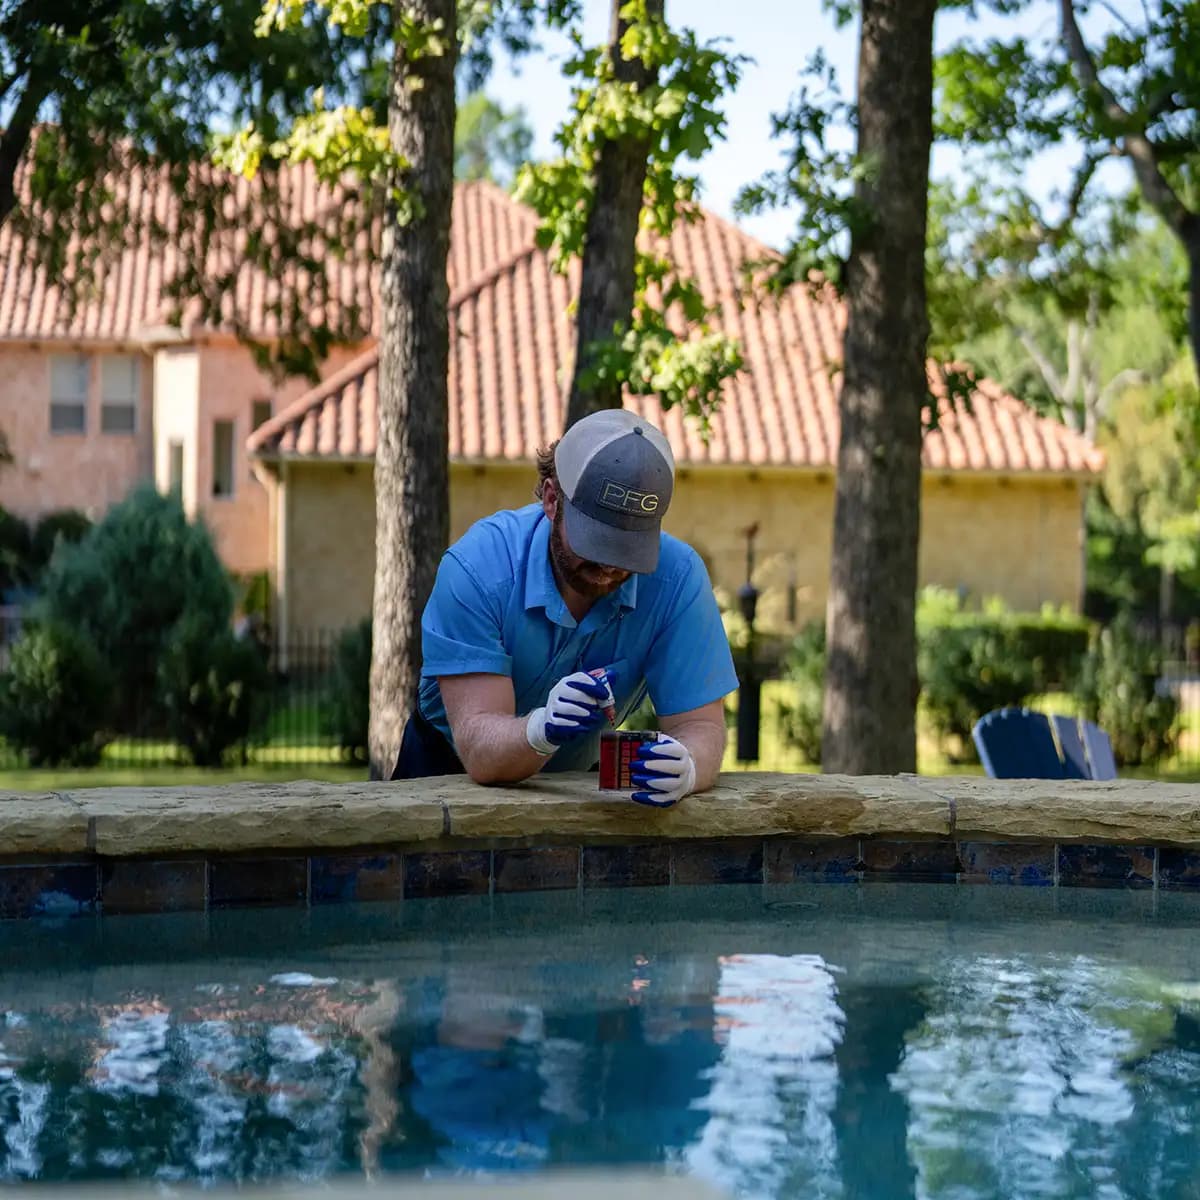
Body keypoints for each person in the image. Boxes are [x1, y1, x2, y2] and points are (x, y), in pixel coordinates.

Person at [392, 408, 738, 806]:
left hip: (575, 781)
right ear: (553, 499)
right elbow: (480, 750)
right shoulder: (478, 568)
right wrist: (541, 728)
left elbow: (700, 725)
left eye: (627, 549)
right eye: (597, 543)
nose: (609, 566)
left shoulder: (677, 579)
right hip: (445, 772)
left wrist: (689, 765)